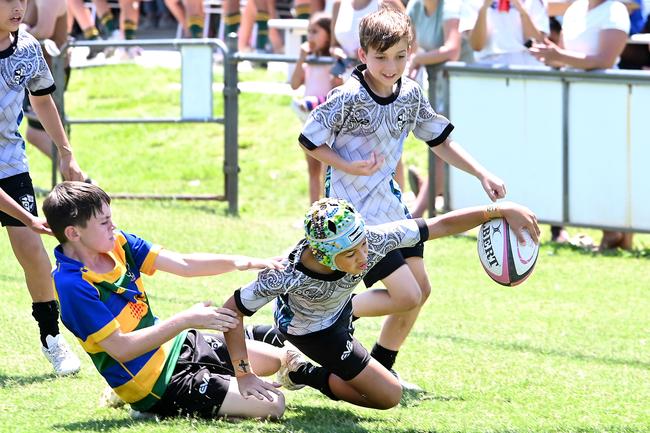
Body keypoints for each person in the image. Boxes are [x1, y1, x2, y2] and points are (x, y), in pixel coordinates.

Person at [296, 7, 506, 388]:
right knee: (407, 294)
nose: (391, 66)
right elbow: (309, 140)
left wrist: (481, 172)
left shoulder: (410, 94)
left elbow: (440, 139)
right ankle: (323, 318)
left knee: (420, 290)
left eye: (399, 56)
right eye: (381, 57)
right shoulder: (347, 97)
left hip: (393, 209)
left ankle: (381, 364)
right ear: (362, 55)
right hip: (355, 219)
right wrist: (345, 162)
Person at [220, 197, 539, 408]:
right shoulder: (286, 274)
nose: (363, 258)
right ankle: (301, 369)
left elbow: (439, 225)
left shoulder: (374, 240)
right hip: (314, 333)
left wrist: (498, 210)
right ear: (322, 254)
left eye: (362, 246)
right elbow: (232, 311)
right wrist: (245, 374)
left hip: (340, 309)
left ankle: (282, 351)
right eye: (350, 254)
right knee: (389, 396)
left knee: (410, 296)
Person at [42, 181, 287, 419]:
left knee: (274, 361)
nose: (113, 226)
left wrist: (242, 262)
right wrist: (186, 319)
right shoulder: (72, 285)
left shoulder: (119, 243)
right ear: (73, 233)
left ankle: (218, 386)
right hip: (152, 383)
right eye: (104, 222)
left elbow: (184, 263)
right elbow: (121, 349)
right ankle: (148, 407)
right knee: (274, 405)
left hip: (176, 345)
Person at [0, 0, 85, 376]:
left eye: (23, 0)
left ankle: (52, 338)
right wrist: (27, 217)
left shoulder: (28, 46)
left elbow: (42, 98)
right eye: (8, 1)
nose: (18, 8)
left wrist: (66, 154)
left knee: (34, 253)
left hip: (10, 165)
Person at [529, 0, 632, 250]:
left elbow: (605, 60)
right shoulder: (574, 9)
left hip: (606, 103)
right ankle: (612, 232)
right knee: (589, 167)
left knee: (608, 166)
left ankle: (619, 232)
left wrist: (559, 55)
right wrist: (550, 55)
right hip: (575, 100)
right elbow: (565, 55)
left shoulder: (615, 10)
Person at [405, 0, 472, 218]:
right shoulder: (415, 7)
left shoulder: (451, 6)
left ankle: (417, 212)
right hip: (440, 87)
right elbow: (408, 49)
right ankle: (432, 192)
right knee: (438, 148)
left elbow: (452, 50)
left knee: (441, 147)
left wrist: (420, 59)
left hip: (465, 89)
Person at [290, 12, 335, 204]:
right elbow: (294, 84)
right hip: (309, 120)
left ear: (328, 34)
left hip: (326, 121)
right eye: (308, 32)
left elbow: (335, 88)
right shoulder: (309, 59)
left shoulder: (332, 60)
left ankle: (327, 211)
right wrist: (302, 58)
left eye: (315, 32)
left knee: (327, 168)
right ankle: (312, 212)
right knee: (312, 168)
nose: (310, 37)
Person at [459, 0, 549, 65]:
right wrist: (484, 9)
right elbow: (477, 45)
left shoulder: (535, 2)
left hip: (526, 66)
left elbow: (536, 43)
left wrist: (521, 9)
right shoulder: (471, 2)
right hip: (488, 66)